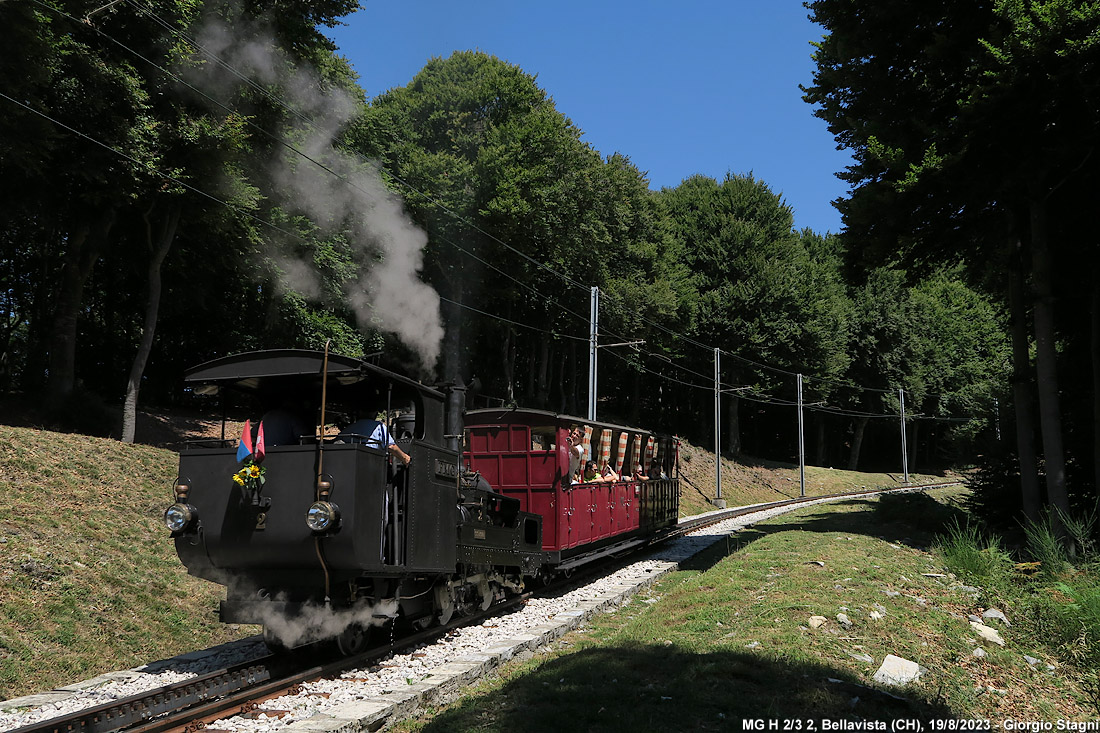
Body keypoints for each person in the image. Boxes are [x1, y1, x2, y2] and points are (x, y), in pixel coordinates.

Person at [340, 417, 411, 466]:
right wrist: (405, 458)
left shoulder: (348, 428)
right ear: (375, 414)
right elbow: (391, 446)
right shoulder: (378, 426)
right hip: (370, 465)